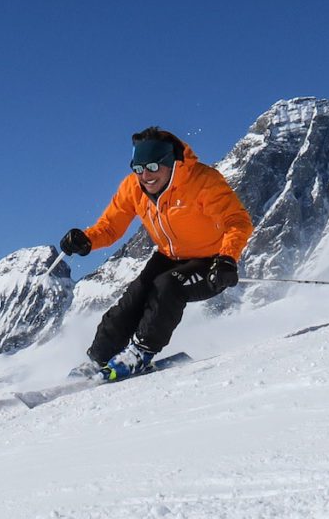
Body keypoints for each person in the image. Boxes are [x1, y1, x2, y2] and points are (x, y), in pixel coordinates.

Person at [60, 126, 253, 380]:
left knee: (167, 287)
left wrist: (227, 258)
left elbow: (237, 221)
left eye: (152, 167)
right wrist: (86, 241)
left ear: (170, 162)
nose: (145, 176)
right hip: (169, 256)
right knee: (135, 296)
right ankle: (98, 358)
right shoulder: (133, 187)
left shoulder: (202, 182)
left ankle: (140, 353)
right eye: (138, 168)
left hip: (212, 260)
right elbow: (110, 226)